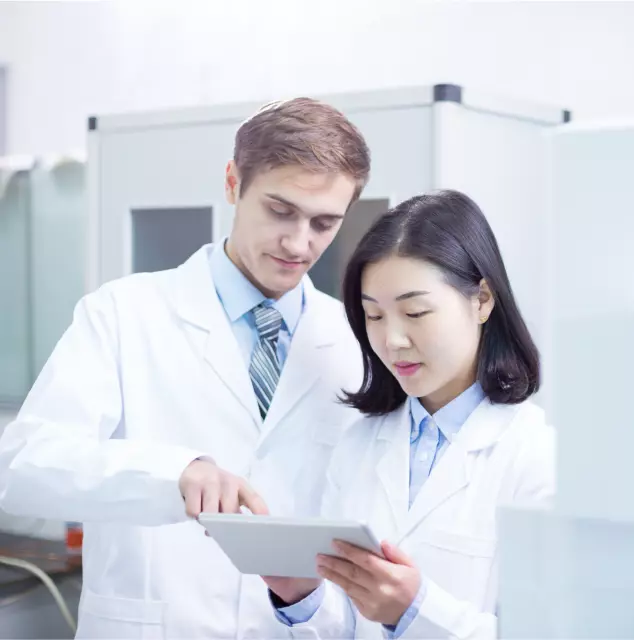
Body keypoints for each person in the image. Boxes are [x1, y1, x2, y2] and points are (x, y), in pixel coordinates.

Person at [0, 98, 370, 638]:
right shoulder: (123, 313)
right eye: (280, 210)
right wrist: (172, 474)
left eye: (324, 223)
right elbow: (24, 469)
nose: (299, 243)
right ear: (232, 182)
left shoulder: (356, 342)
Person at [265, 190, 556, 639]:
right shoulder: (358, 444)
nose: (392, 340)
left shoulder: (536, 454)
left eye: (415, 312)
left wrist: (415, 611)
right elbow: (347, 625)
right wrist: (301, 599)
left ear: (480, 300)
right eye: (373, 316)